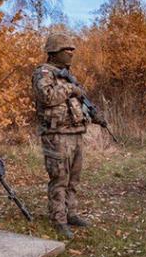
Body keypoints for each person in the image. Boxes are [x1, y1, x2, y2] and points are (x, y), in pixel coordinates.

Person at [32, 32, 98, 239]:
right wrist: (71, 89)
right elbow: (47, 97)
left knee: (73, 179)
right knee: (59, 178)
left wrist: (94, 115)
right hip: (56, 134)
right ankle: (58, 219)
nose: (71, 53)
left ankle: (71, 213)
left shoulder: (67, 74)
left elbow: (79, 101)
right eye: (66, 50)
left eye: (72, 49)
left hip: (75, 132)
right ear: (53, 52)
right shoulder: (44, 73)